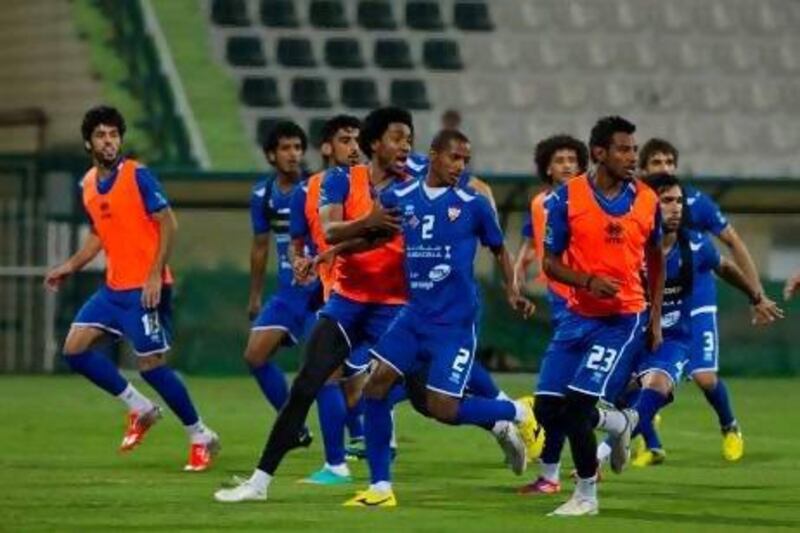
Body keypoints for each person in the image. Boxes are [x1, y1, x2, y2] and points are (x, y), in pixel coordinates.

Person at [214, 107, 415, 503]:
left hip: (394, 306)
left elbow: (377, 237)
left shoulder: (410, 188)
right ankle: (260, 482)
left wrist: (348, 239)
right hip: (347, 302)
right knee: (307, 382)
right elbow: (331, 228)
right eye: (398, 138)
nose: (406, 146)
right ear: (374, 144)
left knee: (431, 398)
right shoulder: (341, 180)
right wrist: (336, 247)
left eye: (409, 138)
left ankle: (508, 417)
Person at [343, 130, 537, 507]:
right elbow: (373, 238)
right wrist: (332, 252)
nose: (459, 166)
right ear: (433, 155)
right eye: (454, 158)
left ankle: (517, 410)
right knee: (375, 388)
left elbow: (499, 248)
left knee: (443, 409)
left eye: (465, 160)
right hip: (413, 316)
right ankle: (381, 489)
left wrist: (513, 290)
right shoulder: (398, 197)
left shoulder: (473, 203)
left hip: (455, 323)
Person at [44, 105, 218, 471]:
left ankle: (200, 435)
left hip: (146, 288)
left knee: (152, 366)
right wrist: (69, 267)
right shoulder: (89, 184)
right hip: (113, 289)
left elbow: (168, 224)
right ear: (88, 143)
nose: (109, 141)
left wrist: (155, 274)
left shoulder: (139, 175)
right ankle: (139, 407)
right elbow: (98, 235)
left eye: (113, 134)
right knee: (74, 351)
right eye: (101, 135)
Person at [600, 173, 784, 468]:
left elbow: (724, 267)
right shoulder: (628, 246)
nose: (676, 208)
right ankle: (637, 441)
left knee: (667, 384)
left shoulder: (696, 245)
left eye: (679, 201)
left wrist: (756, 296)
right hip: (635, 333)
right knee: (615, 399)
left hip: (675, 337)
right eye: (667, 201)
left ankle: (601, 457)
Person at [536, 116, 665, 516]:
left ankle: (586, 496)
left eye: (634, 150)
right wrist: (587, 281)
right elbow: (550, 264)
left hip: (623, 319)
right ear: (599, 153)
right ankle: (620, 423)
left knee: (576, 409)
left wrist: (655, 318)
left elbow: (656, 259)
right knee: (546, 409)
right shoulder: (565, 200)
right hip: (578, 316)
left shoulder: (647, 200)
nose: (632, 157)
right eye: (624, 150)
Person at [638, 138, 780, 461]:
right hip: (650, 298)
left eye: (669, 162)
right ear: (644, 169)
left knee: (702, 376)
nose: (665, 169)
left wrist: (755, 294)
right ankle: (651, 443)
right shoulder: (635, 203)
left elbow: (732, 241)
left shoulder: (694, 201)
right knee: (642, 378)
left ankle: (729, 425)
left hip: (695, 295)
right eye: (657, 163)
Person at [288, 114, 368, 484]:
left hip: (368, 294)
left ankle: (337, 464)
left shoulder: (372, 185)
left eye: (357, 140)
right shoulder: (307, 190)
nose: (353, 147)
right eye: (344, 140)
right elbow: (298, 241)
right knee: (344, 381)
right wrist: (300, 263)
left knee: (328, 377)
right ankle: (505, 417)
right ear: (325, 147)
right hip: (337, 293)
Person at [514, 134, 589, 495]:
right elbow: (530, 246)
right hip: (561, 305)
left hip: (592, 309)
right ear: (547, 166)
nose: (567, 165)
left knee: (566, 399)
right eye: (559, 160)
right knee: (556, 399)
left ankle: (603, 449)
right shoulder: (540, 204)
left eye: (572, 160)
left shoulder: (592, 203)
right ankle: (553, 476)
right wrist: (515, 280)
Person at [245, 121, 318, 448]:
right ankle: (296, 427)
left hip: (321, 294)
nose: (294, 155)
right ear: (271, 155)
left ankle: (359, 440)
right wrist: (256, 295)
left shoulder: (319, 187)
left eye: (298, 148)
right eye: (286, 148)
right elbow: (260, 247)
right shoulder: (263, 194)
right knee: (255, 356)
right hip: (288, 294)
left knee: (333, 374)